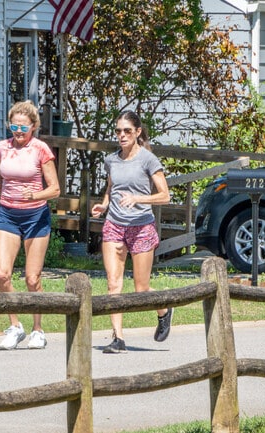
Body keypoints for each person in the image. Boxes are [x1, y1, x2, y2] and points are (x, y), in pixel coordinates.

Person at [0, 100, 60, 350]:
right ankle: (15, 326)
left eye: (23, 128)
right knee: (2, 274)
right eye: (13, 126)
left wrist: (34, 196)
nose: (18, 132)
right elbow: (0, 181)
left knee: (32, 278)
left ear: (34, 127)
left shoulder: (41, 150)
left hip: (36, 216)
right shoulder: (2, 148)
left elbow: (55, 189)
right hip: (7, 216)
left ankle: (38, 330)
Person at [91, 110, 172, 354]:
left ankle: (164, 310)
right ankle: (118, 339)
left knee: (141, 288)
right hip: (114, 224)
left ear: (137, 132)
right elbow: (112, 187)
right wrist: (104, 205)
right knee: (113, 284)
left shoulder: (148, 160)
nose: (122, 135)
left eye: (127, 131)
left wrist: (138, 198)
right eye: (118, 131)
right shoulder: (111, 160)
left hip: (141, 226)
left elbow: (165, 195)